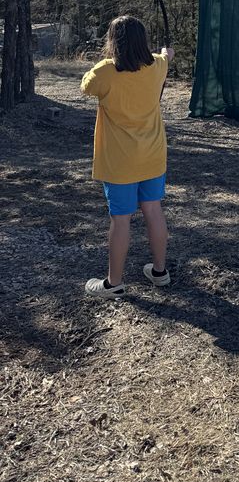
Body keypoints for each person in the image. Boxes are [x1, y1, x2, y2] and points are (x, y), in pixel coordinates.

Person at [80, 15, 174, 299]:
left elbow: (86, 86)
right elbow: (164, 58)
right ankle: (159, 272)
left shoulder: (105, 72)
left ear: (113, 42)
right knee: (153, 211)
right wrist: (166, 53)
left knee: (121, 220)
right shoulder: (157, 66)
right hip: (152, 157)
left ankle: (114, 283)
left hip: (120, 162)